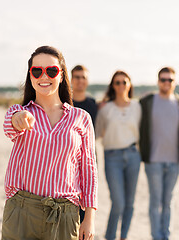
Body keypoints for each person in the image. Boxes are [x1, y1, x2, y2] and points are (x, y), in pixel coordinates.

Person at [2, 46, 98, 240]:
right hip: (22, 211)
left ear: (61, 75)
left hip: (65, 214)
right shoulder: (19, 111)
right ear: (31, 76)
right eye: (37, 71)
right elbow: (9, 125)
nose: (43, 76)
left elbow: (89, 171)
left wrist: (89, 218)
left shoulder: (81, 118)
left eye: (51, 70)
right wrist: (19, 117)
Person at [139, 67, 179, 240]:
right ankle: (156, 236)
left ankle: (166, 235)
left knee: (168, 202)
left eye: (170, 80)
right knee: (155, 201)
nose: (167, 83)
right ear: (158, 82)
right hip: (153, 161)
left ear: (174, 83)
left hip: (174, 162)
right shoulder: (148, 102)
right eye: (163, 80)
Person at [95, 71, 141, 240]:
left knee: (130, 203)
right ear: (112, 86)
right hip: (112, 157)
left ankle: (124, 236)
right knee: (118, 203)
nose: (121, 85)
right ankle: (110, 236)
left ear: (129, 84)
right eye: (117, 82)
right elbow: (96, 133)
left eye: (124, 82)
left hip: (133, 156)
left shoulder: (137, 107)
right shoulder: (105, 109)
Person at [71, 64, 98, 224]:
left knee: (86, 200)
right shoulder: (64, 103)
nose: (80, 81)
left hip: (89, 157)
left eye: (84, 77)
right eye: (77, 77)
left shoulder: (93, 104)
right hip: (69, 158)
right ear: (71, 80)